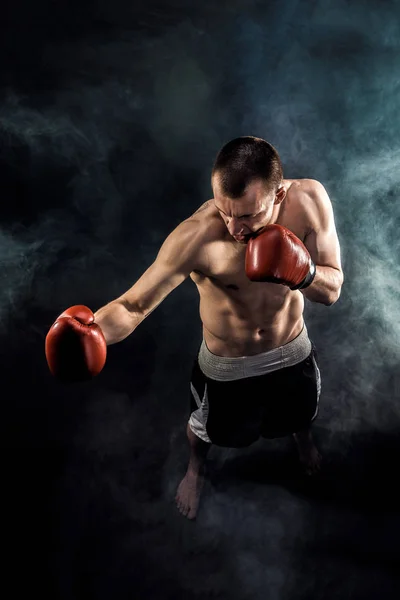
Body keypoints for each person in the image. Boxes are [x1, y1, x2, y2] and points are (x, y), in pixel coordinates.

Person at [46, 136, 344, 520]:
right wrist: (93, 331)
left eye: (249, 216)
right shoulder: (197, 236)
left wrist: (304, 272)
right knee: (205, 433)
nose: (235, 228)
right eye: (225, 212)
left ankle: (302, 442)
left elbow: (332, 289)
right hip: (228, 368)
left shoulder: (309, 200)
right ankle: (195, 471)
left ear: (280, 195)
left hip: (292, 350)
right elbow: (133, 305)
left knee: (301, 413)